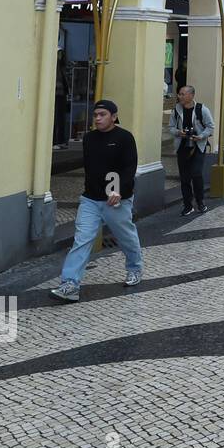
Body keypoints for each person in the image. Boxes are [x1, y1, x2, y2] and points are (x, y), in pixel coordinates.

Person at [50, 99, 145, 302]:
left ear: (114, 116)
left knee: (126, 237)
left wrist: (119, 190)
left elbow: (129, 168)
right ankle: (70, 284)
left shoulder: (125, 138)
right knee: (82, 240)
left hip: (116, 200)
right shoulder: (89, 139)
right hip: (90, 200)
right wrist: (90, 191)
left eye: (102, 114)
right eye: (95, 115)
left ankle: (135, 269)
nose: (98, 118)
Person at [168, 85, 215, 217]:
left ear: (191, 95)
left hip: (198, 146)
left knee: (196, 173)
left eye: (183, 94)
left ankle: (200, 202)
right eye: (179, 94)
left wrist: (201, 136)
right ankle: (188, 205)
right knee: (184, 178)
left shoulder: (201, 109)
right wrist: (178, 132)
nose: (180, 96)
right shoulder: (176, 110)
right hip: (182, 147)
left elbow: (210, 127)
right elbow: (170, 127)